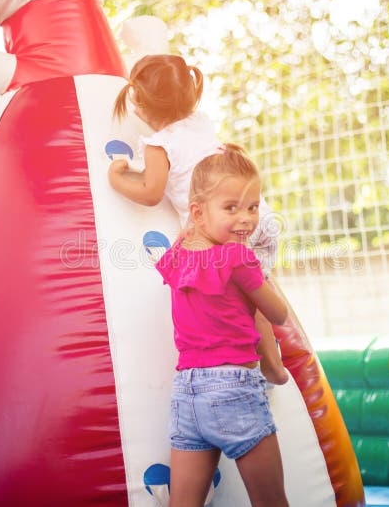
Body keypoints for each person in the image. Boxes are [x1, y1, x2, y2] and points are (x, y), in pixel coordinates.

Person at [108, 55, 287, 385]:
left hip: (226, 222)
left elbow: (151, 192)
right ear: (190, 95)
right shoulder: (200, 122)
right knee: (256, 288)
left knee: (240, 295)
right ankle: (274, 361)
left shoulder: (156, 145)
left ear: (139, 104)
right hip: (257, 213)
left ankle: (268, 363)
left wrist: (117, 178)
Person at [155, 147, 289, 507]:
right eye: (231, 208)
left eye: (253, 206)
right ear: (198, 212)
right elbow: (277, 315)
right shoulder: (237, 257)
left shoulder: (178, 254)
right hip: (235, 390)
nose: (246, 219)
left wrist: (197, 227)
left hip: (187, 394)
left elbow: (187, 244)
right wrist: (261, 274)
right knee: (272, 501)